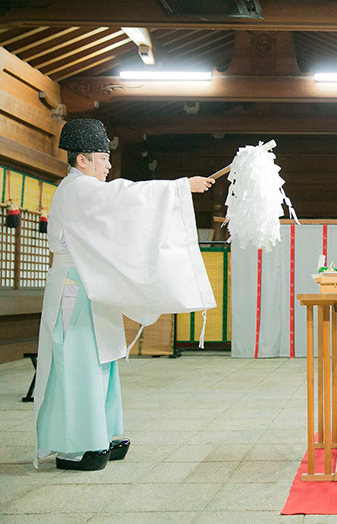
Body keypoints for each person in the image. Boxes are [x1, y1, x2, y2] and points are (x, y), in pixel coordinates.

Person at [34, 118, 217, 471]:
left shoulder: (82, 191)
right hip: (76, 285)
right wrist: (179, 187)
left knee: (98, 362)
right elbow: (125, 196)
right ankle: (85, 444)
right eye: (102, 159)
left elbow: (119, 205)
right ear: (81, 160)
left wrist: (179, 189)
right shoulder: (76, 189)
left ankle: (99, 437)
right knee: (79, 363)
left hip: (89, 282)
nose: (107, 166)